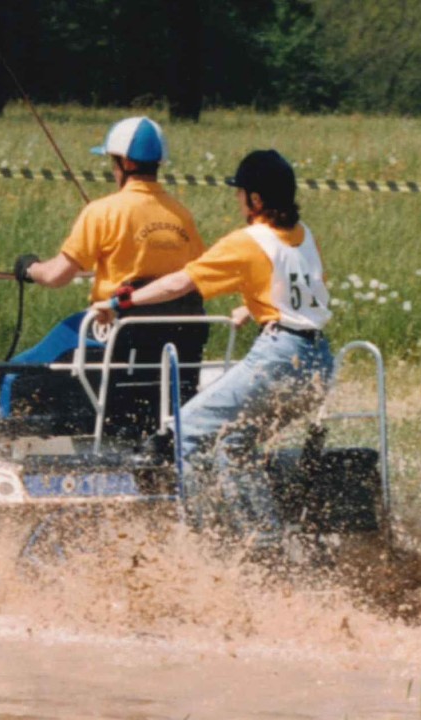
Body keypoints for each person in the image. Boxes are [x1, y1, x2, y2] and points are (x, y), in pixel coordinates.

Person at [91, 149, 334, 547]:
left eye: (240, 194)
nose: (238, 201)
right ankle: (266, 543)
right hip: (319, 362)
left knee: (185, 434)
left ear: (256, 199)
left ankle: (204, 543)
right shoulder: (305, 235)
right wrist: (252, 307)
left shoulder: (248, 241)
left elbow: (178, 283)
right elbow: (304, 291)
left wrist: (120, 302)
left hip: (279, 358)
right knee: (236, 445)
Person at [5, 117, 210, 435]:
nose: (113, 169)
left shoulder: (104, 211)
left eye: (113, 162)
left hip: (113, 330)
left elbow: (57, 276)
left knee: (15, 372)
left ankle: (2, 436)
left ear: (126, 163)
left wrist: (30, 268)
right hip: (171, 343)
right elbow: (187, 277)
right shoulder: (182, 215)